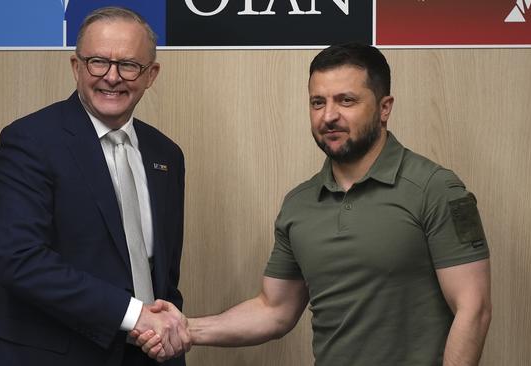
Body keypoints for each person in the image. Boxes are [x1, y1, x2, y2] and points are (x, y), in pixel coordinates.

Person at [135, 44, 492, 365]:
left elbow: (473, 309)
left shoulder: (435, 188)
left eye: (346, 101)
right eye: (318, 102)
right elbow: (274, 310)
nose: (328, 116)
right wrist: (187, 328)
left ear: (385, 108)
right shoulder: (299, 204)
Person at [0, 7, 189, 366]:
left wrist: (165, 331)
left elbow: (163, 275)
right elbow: (21, 260)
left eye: (129, 65)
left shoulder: (166, 154)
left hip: (144, 356)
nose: (112, 77)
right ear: (76, 67)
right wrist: (134, 314)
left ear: (151, 74)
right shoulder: (30, 140)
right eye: (97, 62)